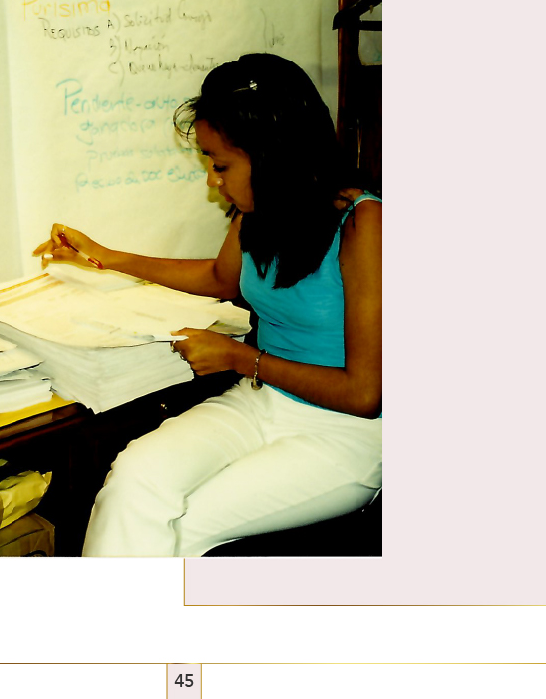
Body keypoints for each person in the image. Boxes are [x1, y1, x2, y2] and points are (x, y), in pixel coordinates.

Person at [32, 53, 382, 557]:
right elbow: (220, 277)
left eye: (220, 165)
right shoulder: (261, 209)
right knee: (133, 480)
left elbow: (364, 395)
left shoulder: (364, 223)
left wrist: (241, 358)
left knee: (182, 528)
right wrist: (107, 258)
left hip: (348, 433)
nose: (213, 181)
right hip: (263, 400)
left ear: (273, 155)